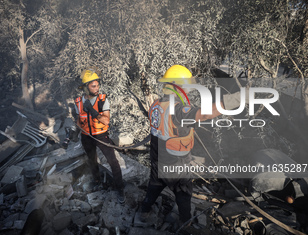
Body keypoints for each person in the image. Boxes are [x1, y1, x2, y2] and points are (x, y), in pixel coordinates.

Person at [140, 65, 246, 225]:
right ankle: (185, 221)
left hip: (157, 159)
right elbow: (204, 114)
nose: (188, 90)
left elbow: (163, 129)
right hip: (176, 163)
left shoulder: (156, 105)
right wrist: (237, 99)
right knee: (183, 193)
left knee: (154, 186)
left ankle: (144, 211)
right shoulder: (179, 109)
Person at [74, 69, 125, 203]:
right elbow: (79, 120)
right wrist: (74, 131)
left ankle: (120, 189)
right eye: (93, 86)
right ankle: (96, 181)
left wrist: (91, 110)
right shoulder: (78, 102)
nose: (97, 88)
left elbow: (106, 121)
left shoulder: (103, 100)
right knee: (91, 160)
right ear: (85, 87)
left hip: (101, 136)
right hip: (86, 137)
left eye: (97, 85)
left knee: (113, 162)